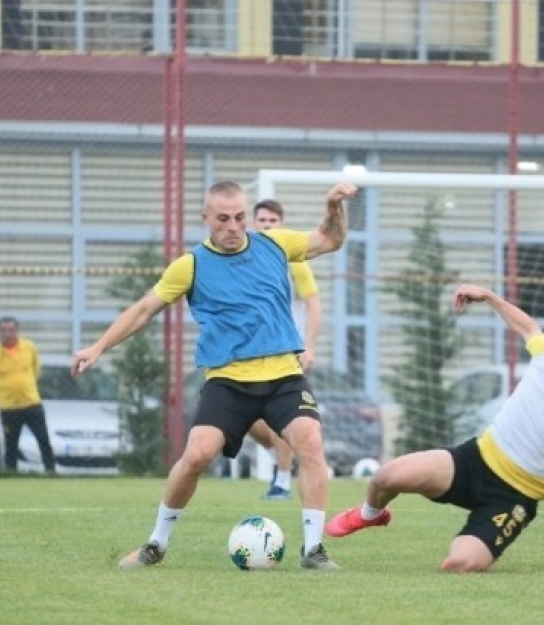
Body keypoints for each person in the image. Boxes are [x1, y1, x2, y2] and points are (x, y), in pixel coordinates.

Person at [72, 180, 356, 571]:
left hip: (284, 376)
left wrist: (333, 206)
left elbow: (331, 239)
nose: (233, 227)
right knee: (197, 455)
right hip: (228, 380)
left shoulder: (275, 244)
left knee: (310, 442)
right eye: (222, 219)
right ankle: (155, 543)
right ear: (205, 218)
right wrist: (98, 347)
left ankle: (313, 550)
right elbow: (143, 310)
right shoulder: (190, 265)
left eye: (240, 217)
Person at [325, 284, 544, 573]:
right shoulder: (543, 358)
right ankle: (370, 515)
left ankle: (479, 537)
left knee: (460, 565)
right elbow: (528, 327)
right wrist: (488, 296)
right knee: (386, 476)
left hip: (514, 497)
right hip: (475, 460)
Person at [247, 198, 323, 500]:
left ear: (281, 224)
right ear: (253, 224)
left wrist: (310, 346)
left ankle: (281, 481)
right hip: (251, 352)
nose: (267, 226)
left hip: (287, 350)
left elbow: (314, 303)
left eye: (272, 221)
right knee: (249, 420)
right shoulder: (245, 258)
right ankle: (286, 451)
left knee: (283, 414)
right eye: (262, 221)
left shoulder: (294, 260)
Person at [0, 316, 56, 474]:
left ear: (17, 331)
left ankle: (50, 470)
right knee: (11, 443)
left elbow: (36, 370)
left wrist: (24, 385)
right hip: (9, 407)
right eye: (4, 331)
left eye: (11, 330)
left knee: (43, 438)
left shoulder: (29, 348)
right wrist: (1, 392)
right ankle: (11, 472)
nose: (8, 334)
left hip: (31, 402)